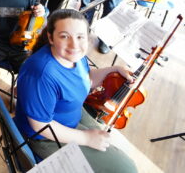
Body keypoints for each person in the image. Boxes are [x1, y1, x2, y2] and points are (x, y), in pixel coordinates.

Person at [14, 9, 138, 173]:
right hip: (44, 138)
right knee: (126, 169)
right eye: (64, 36)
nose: (74, 45)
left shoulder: (76, 57)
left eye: (80, 37)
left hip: (71, 117)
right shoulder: (42, 73)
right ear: (51, 37)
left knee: (121, 148)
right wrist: (86, 138)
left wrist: (113, 69)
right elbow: (40, 125)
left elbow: (87, 79)